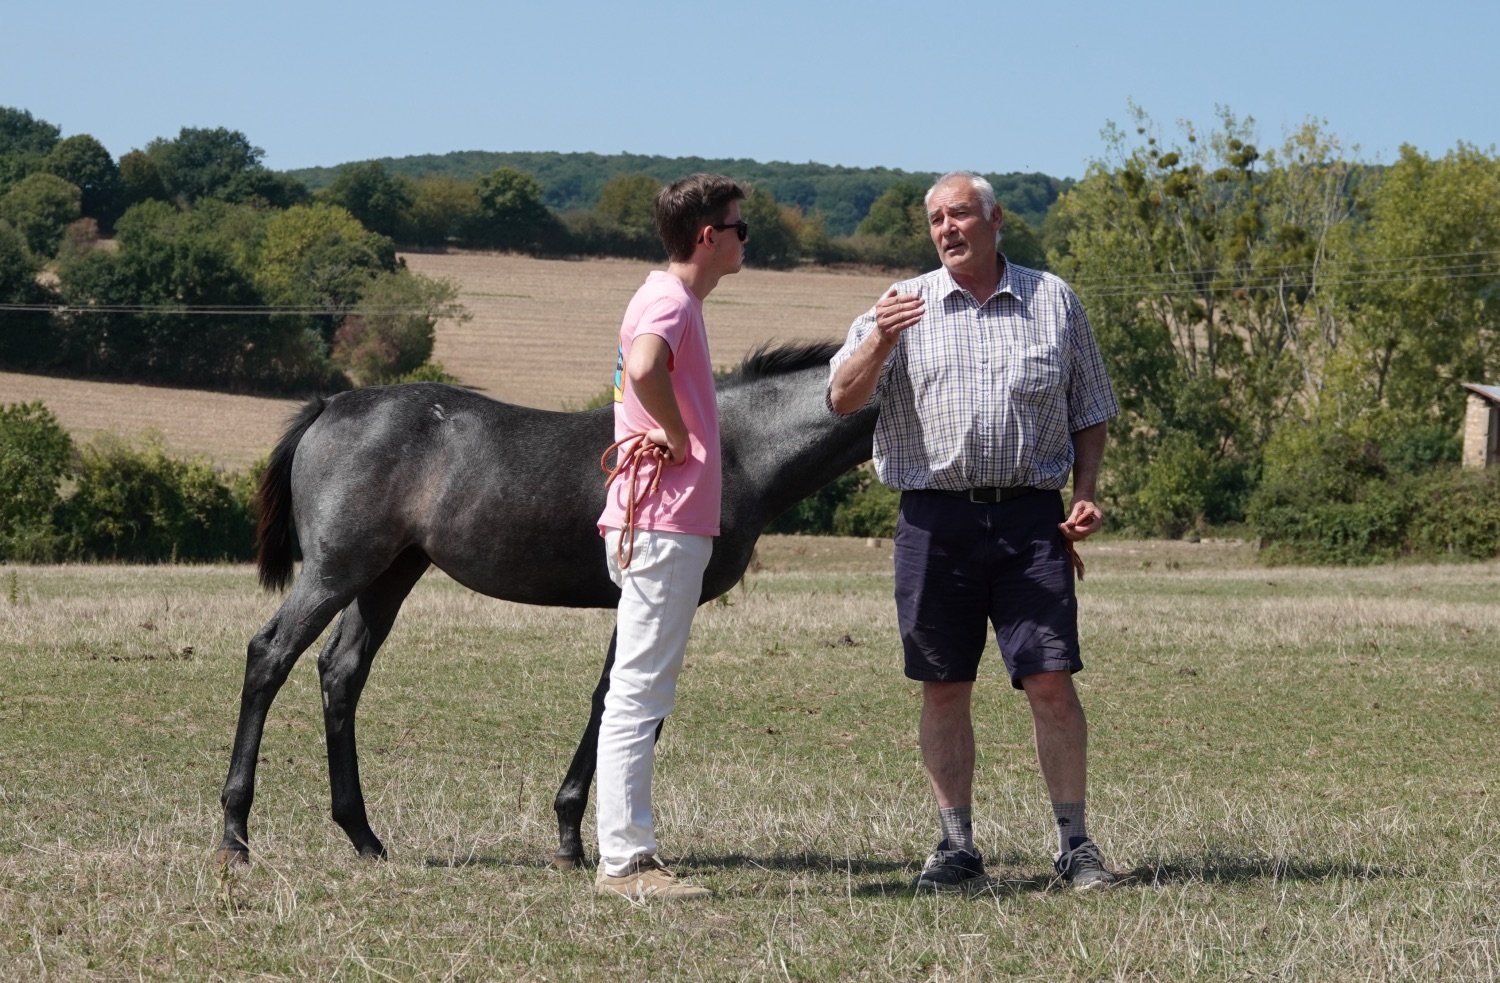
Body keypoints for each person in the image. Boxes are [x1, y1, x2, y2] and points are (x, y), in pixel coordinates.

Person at [827, 171, 1121, 893]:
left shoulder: (1053, 300)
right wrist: (880, 340)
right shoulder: (902, 304)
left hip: (1031, 518)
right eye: (935, 219)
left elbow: (1091, 409)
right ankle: (957, 848)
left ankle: (1075, 846)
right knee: (943, 684)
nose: (946, 229)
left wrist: (1085, 494)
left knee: (1050, 679)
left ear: (995, 219)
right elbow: (840, 399)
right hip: (935, 521)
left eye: (959, 214)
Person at [593, 173, 747, 901]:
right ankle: (626, 863)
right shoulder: (671, 301)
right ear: (708, 236)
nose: (746, 240)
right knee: (640, 690)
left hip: (651, 518)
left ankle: (626, 854)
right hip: (662, 521)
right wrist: (678, 434)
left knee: (639, 686)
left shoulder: (668, 297)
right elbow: (645, 369)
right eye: (740, 228)